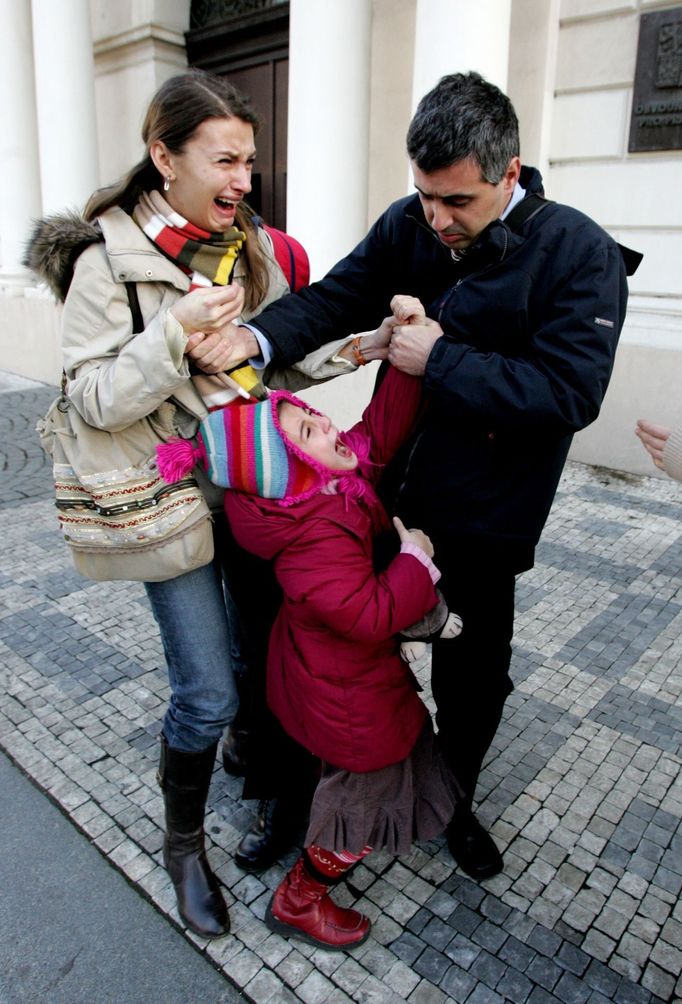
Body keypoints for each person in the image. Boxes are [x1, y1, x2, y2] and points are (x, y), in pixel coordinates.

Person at [215, 71, 641, 881]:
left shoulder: (579, 253)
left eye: (457, 203)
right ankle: (295, 804)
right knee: (316, 664)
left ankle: (453, 802)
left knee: (473, 681)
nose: (437, 220)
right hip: (374, 499)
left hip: (481, 522)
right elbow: (336, 295)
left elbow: (569, 393)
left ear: (509, 174)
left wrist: (439, 358)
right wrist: (257, 344)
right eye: (424, 197)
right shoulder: (411, 221)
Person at [24, 69, 360, 939]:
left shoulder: (249, 248)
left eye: (249, 160)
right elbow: (91, 398)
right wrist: (173, 341)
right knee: (206, 692)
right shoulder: (108, 262)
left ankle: (261, 780)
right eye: (225, 160)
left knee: (260, 663)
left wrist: (359, 347)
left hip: (250, 489)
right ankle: (182, 848)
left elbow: (275, 361)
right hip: (166, 499)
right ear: (164, 156)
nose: (244, 179)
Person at [156, 328, 462, 951]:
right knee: (360, 794)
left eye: (310, 416)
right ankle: (300, 899)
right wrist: (414, 561)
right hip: (348, 697)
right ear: (286, 469)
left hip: (345, 681)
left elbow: (375, 433)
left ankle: (318, 846)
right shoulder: (311, 536)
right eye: (305, 432)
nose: (326, 426)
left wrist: (406, 361)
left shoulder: (323, 482)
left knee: (370, 771)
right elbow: (367, 614)